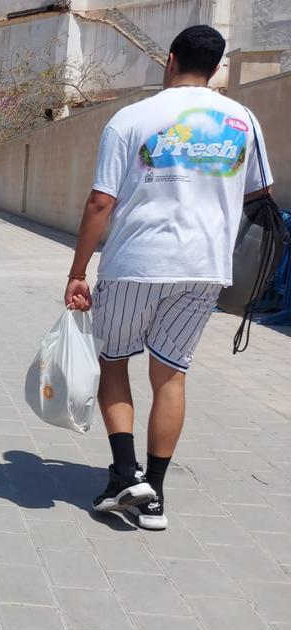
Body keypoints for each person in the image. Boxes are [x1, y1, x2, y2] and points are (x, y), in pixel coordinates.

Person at [64, 25, 273, 531]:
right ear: (217, 67)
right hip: (204, 268)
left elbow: (100, 202)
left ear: (171, 59)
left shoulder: (131, 118)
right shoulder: (244, 120)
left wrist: (77, 271)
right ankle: (153, 494)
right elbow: (258, 192)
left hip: (136, 261)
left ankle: (121, 474)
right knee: (171, 373)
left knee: (114, 362)